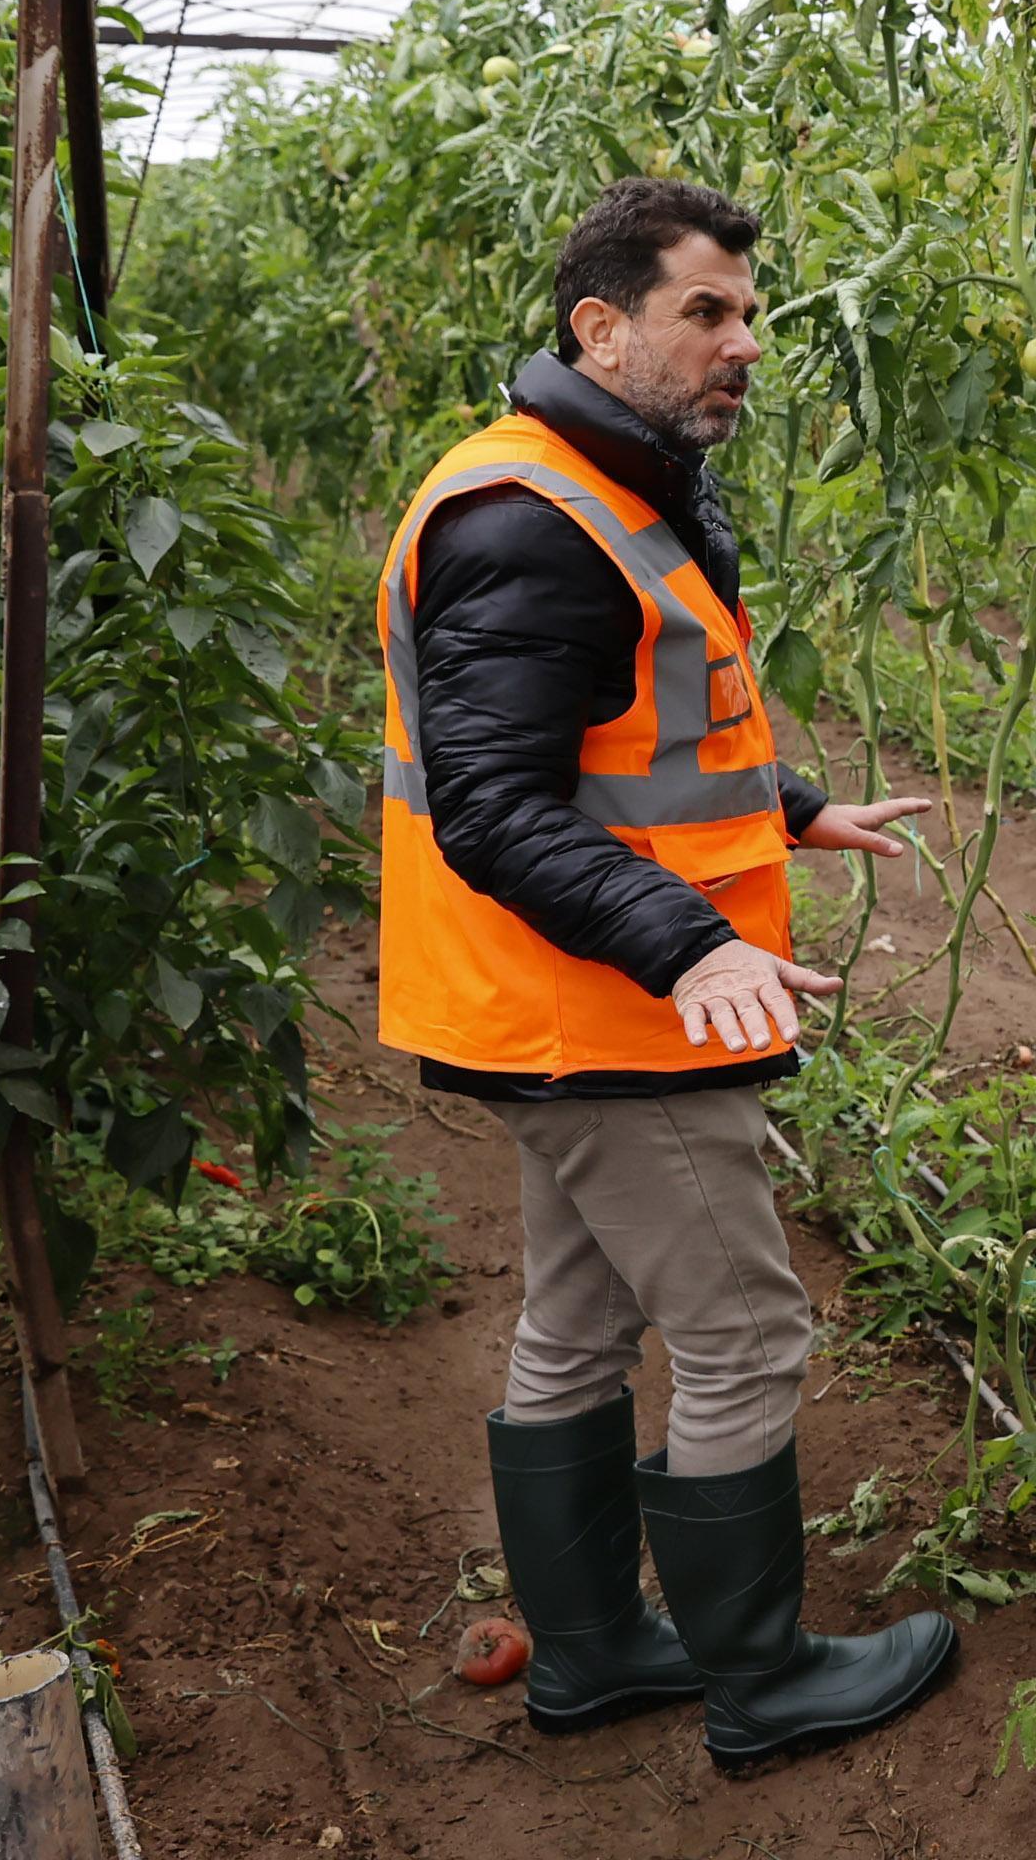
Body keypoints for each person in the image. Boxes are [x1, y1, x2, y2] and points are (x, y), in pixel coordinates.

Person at [376, 176, 958, 1771]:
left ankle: (587, 1655)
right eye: (708, 310)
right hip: (610, 1015)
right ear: (602, 325)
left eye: (749, 314)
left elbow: (622, 738)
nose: (743, 344)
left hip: (545, 1005)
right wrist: (690, 942)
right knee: (745, 1334)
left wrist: (790, 812)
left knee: (576, 1321)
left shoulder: (584, 483)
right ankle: (759, 1677)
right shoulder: (533, 521)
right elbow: (496, 806)